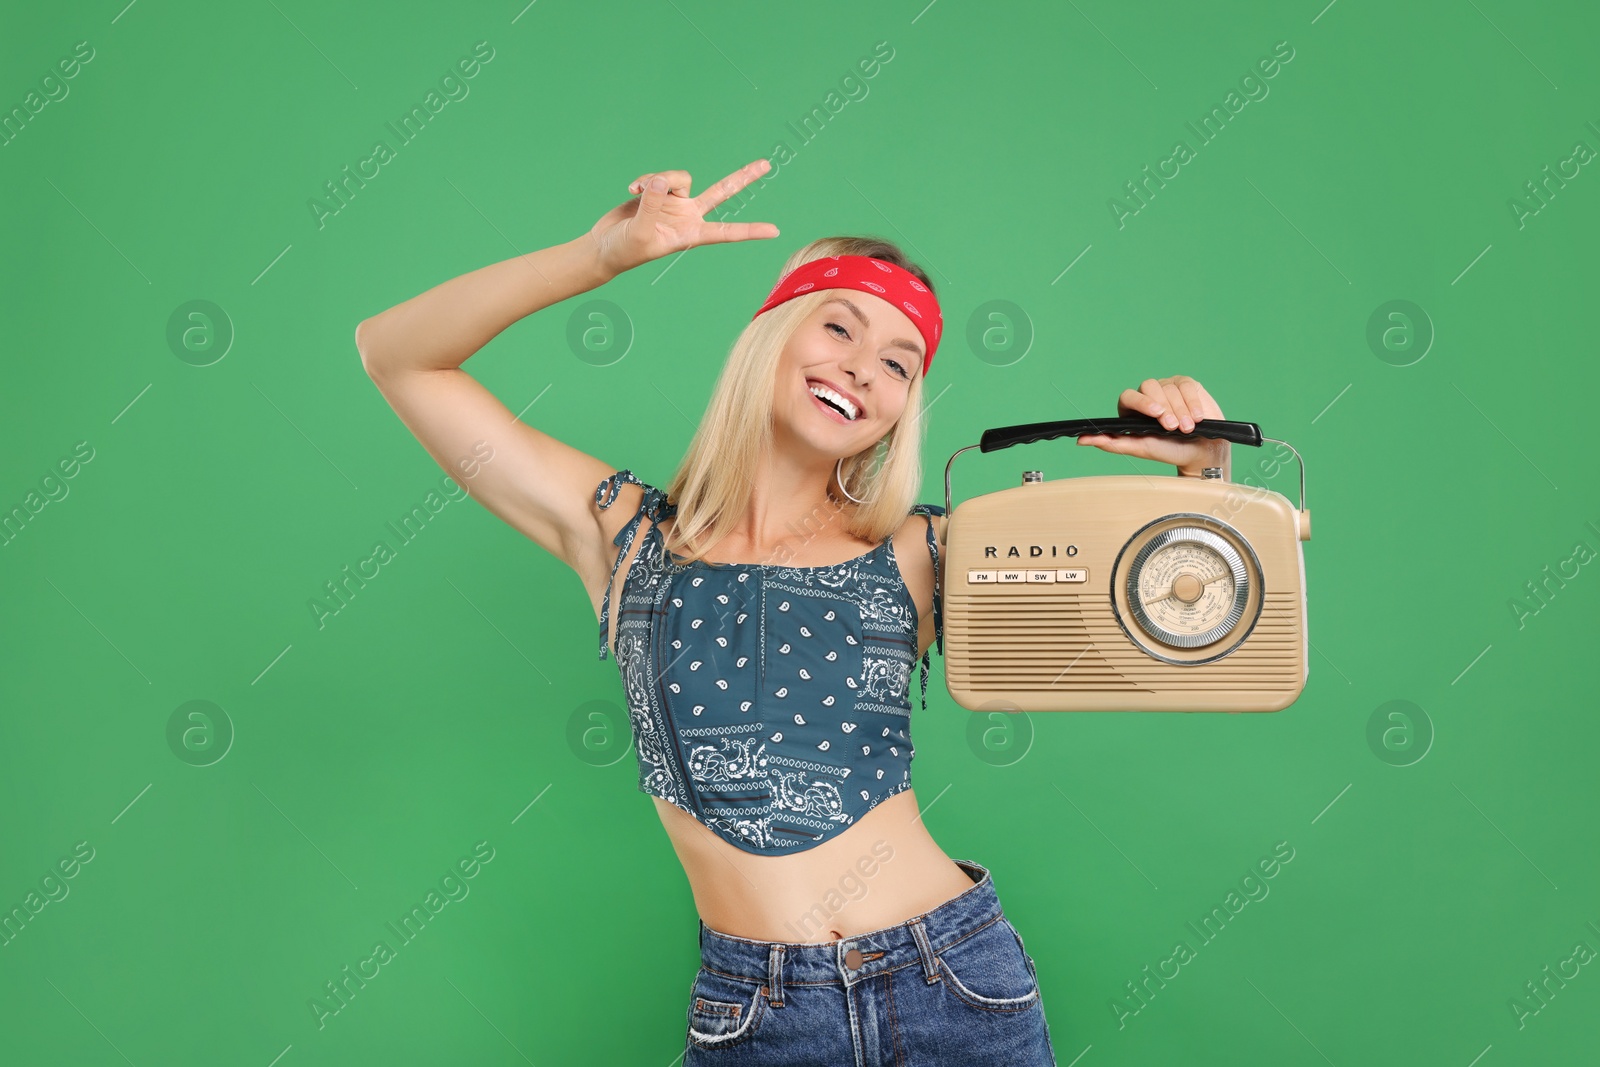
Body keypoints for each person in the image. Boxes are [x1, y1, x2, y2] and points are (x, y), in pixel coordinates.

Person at [355, 158, 1233, 1065]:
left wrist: (1206, 479)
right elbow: (397, 353)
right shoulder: (623, 534)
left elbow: (1187, 616)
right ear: (771, 335)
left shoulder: (921, 551)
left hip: (954, 986)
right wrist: (599, 255)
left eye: (898, 362)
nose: (862, 368)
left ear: (900, 412)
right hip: (754, 1014)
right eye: (840, 326)